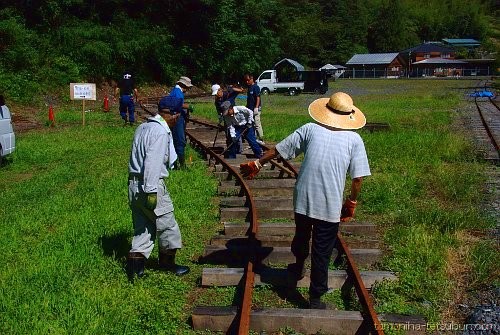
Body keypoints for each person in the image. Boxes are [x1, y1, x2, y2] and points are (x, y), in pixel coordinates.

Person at [240, 92, 371, 309]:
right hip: (329, 205)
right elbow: (357, 179)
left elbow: (280, 149)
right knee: (322, 250)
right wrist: (351, 203)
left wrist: (258, 163)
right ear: (349, 115)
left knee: (301, 236)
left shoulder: (310, 129)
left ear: (327, 110)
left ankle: (298, 265)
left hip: (303, 197)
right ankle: (316, 297)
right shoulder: (354, 140)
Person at [126, 106, 190, 281]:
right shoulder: (161, 132)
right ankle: (167, 265)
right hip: (150, 184)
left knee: (143, 228)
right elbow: (152, 163)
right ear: (174, 115)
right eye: (178, 116)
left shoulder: (143, 127)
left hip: (133, 184)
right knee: (168, 226)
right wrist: (151, 190)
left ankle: (134, 271)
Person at [167, 76, 194, 169]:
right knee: (180, 140)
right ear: (183, 85)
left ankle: (176, 163)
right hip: (177, 119)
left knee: (176, 140)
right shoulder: (177, 92)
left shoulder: (176, 91)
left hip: (177, 117)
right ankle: (181, 165)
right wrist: (188, 106)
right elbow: (178, 104)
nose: (188, 89)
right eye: (188, 87)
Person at [212, 83, 244, 154]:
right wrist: (220, 117)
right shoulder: (217, 101)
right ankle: (230, 148)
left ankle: (239, 150)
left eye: (217, 93)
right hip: (226, 118)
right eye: (215, 94)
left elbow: (241, 90)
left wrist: (231, 88)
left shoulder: (228, 94)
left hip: (234, 116)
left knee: (236, 133)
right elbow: (219, 110)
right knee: (228, 133)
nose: (216, 95)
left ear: (220, 90)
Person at [243, 73, 264, 145]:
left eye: (248, 80)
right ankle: (254, 139)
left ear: (252, 79)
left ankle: (261, 138)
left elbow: (258, 98)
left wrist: (256, 107)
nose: (247, 82)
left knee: (257, 123)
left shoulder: (256, 87)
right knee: (251, 124)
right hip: (250, 108)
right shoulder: (249, 88)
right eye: (246, 80)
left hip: (255, 108)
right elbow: (249, 99)